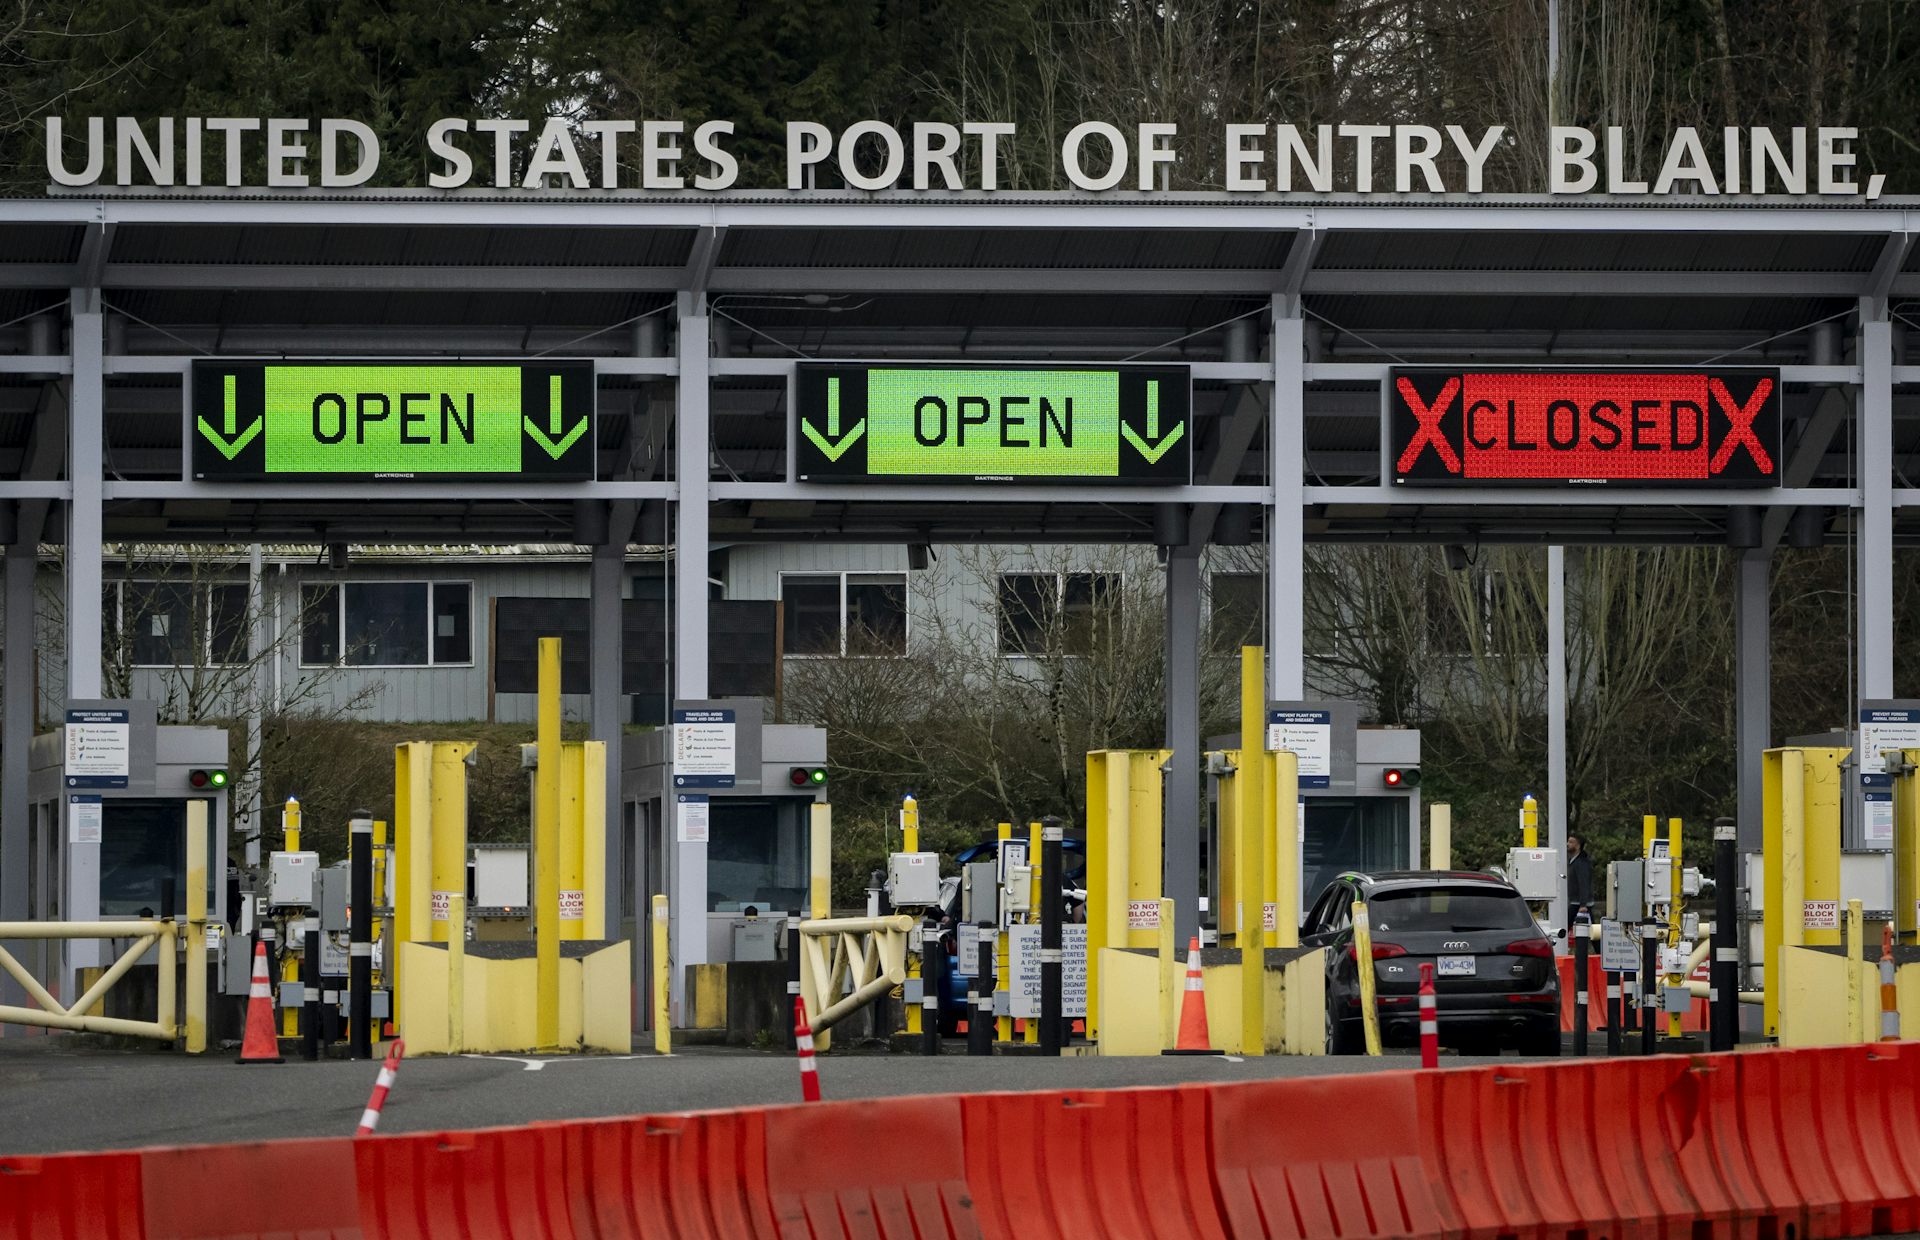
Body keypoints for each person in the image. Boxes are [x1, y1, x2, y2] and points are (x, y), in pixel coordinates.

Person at [1566, 833, 1594, 921]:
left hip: (1579, 903)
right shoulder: (1573, 861)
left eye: (1571, 842)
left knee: (1567, 924)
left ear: (1578, 846)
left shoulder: (1581, 863)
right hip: (1575, 901)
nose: (1567, 844)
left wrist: (1583, 904)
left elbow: (1583, 883)